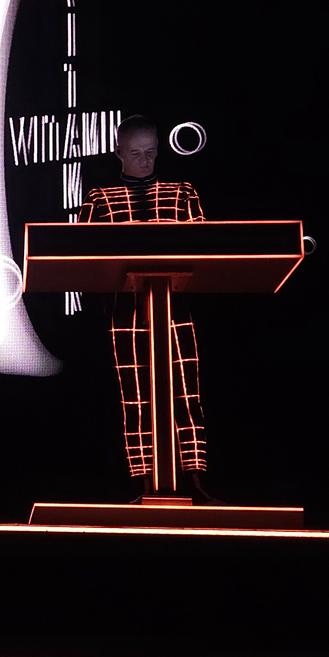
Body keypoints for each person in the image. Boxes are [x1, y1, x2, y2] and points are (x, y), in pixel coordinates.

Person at [77, 116, 213, 501]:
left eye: (150, 152)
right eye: (135, 153)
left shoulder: (181, 192)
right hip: (126, 312)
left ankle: (194, 480)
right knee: (136, 396)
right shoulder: (99, 199)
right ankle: (142, 481)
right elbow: (80, 252)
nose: (144, 160)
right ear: (118, 152)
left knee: (185, 392)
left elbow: (207, 246)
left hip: (175, 308)